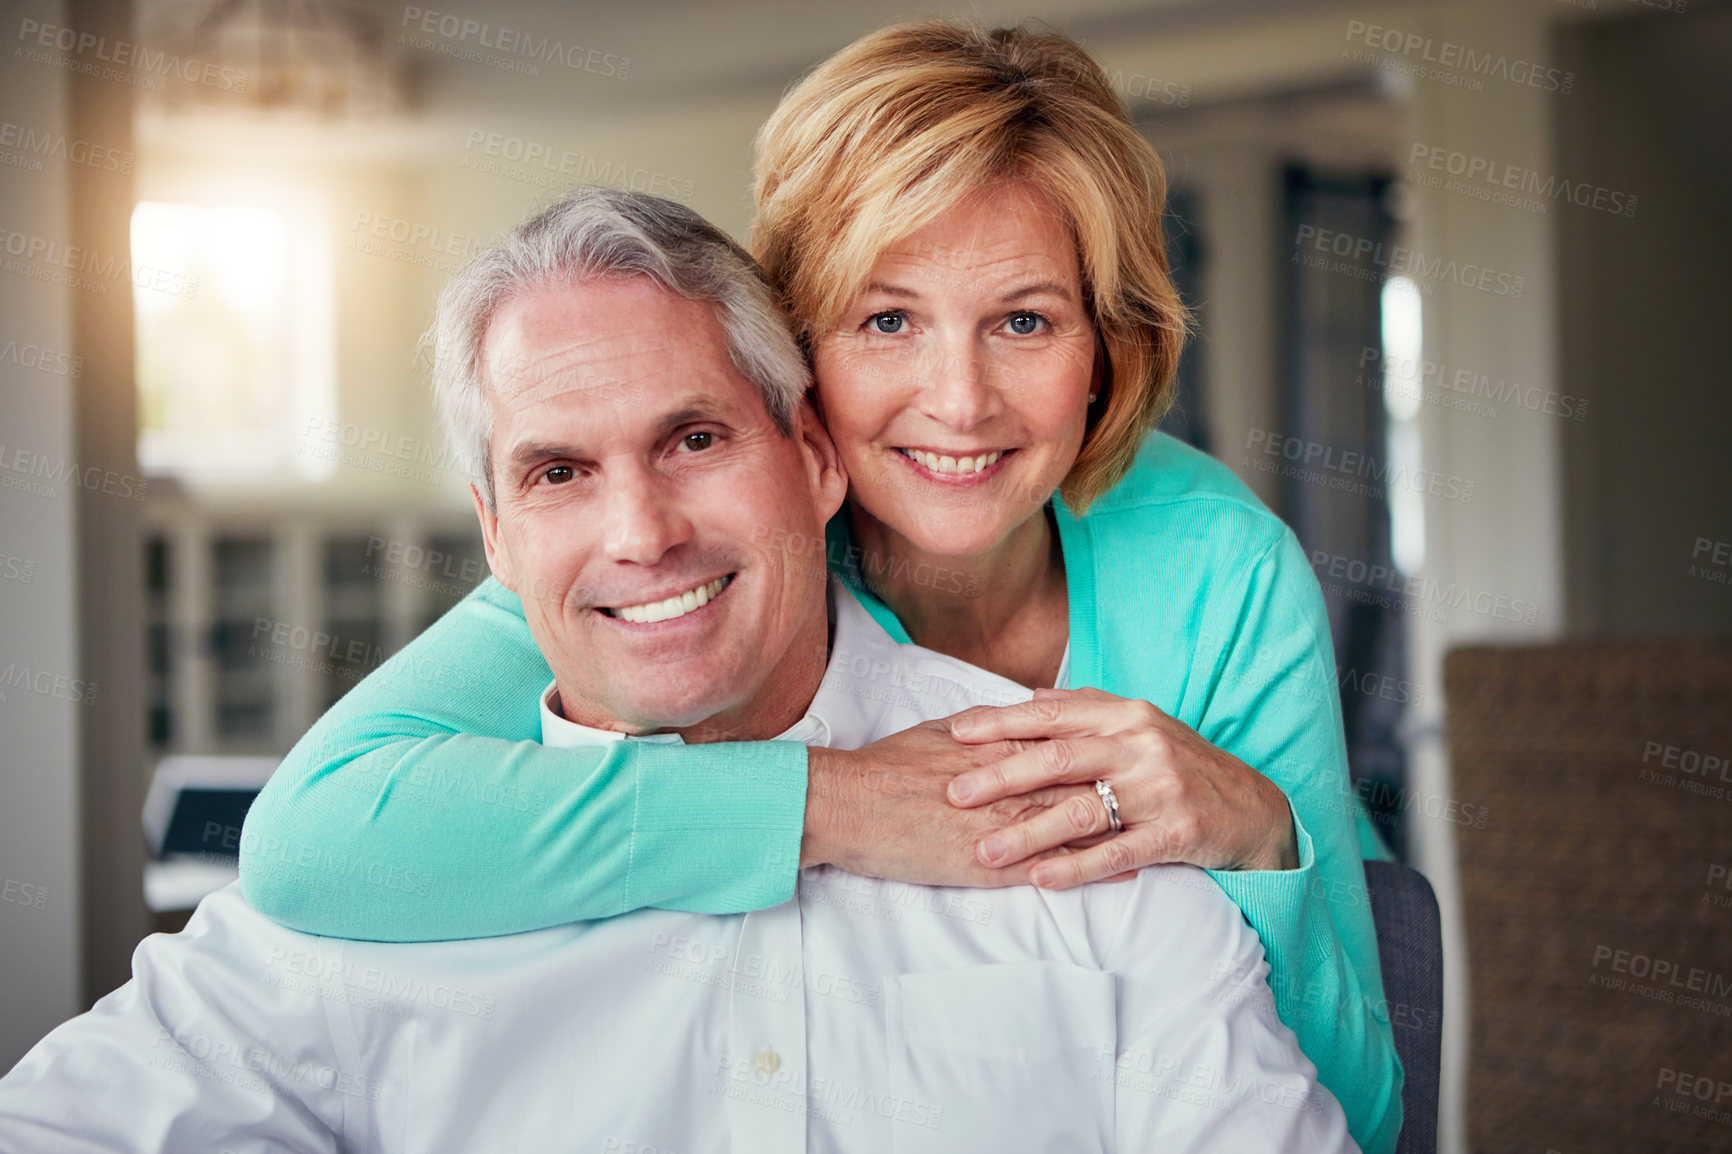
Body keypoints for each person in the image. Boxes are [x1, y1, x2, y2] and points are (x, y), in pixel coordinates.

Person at [240, 20, 1402, 1154]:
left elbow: (1361, 1113)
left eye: (1025, 320)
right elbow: (314, 838)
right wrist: (835, 801)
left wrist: (1255, 835)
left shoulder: (1218, 568)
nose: (958, 400)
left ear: (1107, 349)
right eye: (886, 318)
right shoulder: (695, 561)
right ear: (796, 349)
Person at [0, 190, 1357, 1154]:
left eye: (696, 437)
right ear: (496, 534)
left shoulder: (1068, 809)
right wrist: (821, 802)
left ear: (814, 457)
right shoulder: (369, 887)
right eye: (557, 471)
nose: (640, 533)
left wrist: (1259, 826)